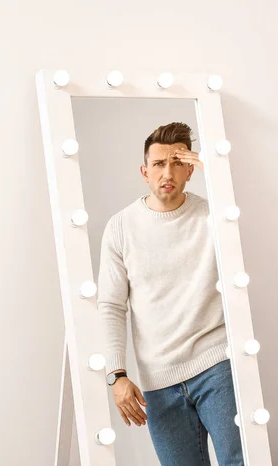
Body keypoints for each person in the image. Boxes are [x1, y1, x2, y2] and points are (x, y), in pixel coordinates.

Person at [97, 122, 243, 466]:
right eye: (159, 164)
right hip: (158, 379)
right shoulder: (120, 227)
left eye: (178, 162)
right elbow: (111, 306)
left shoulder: (214, 215)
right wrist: (116, 374)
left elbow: (245, 220)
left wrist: (214, 167)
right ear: (144, 171)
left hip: (216, 363)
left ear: (191, 169)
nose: (168, 172)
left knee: (240, 460)